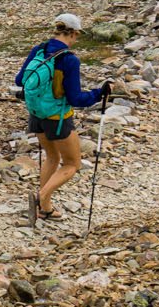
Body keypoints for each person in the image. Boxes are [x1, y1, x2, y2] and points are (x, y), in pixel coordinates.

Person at [14, 12, 111, 220]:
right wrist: (98, 93)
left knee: (52, 157)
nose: (76, 39)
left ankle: (45, 209)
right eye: (77, 35)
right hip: (58, 118)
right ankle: (41, 197)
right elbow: (76, 98)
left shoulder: (39, 50)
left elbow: (20, 79)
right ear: (73, 33)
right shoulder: (69, 60)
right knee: (72, 163)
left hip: (36, 113)